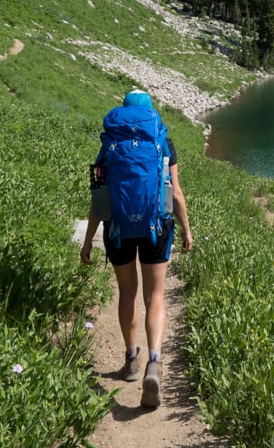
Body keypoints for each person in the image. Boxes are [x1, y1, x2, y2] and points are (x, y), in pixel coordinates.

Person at [80, 90, 194, 409]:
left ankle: (131, 358)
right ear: (150, 112)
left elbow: (99, 198)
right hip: (157, 227)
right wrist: (186, 229)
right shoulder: (162, 142)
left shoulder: (110, 145)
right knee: (155, 296)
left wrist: (89, 239)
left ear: (123, 110)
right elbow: (177, 193)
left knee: (127, 294)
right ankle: (155, 362)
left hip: (118, 230)